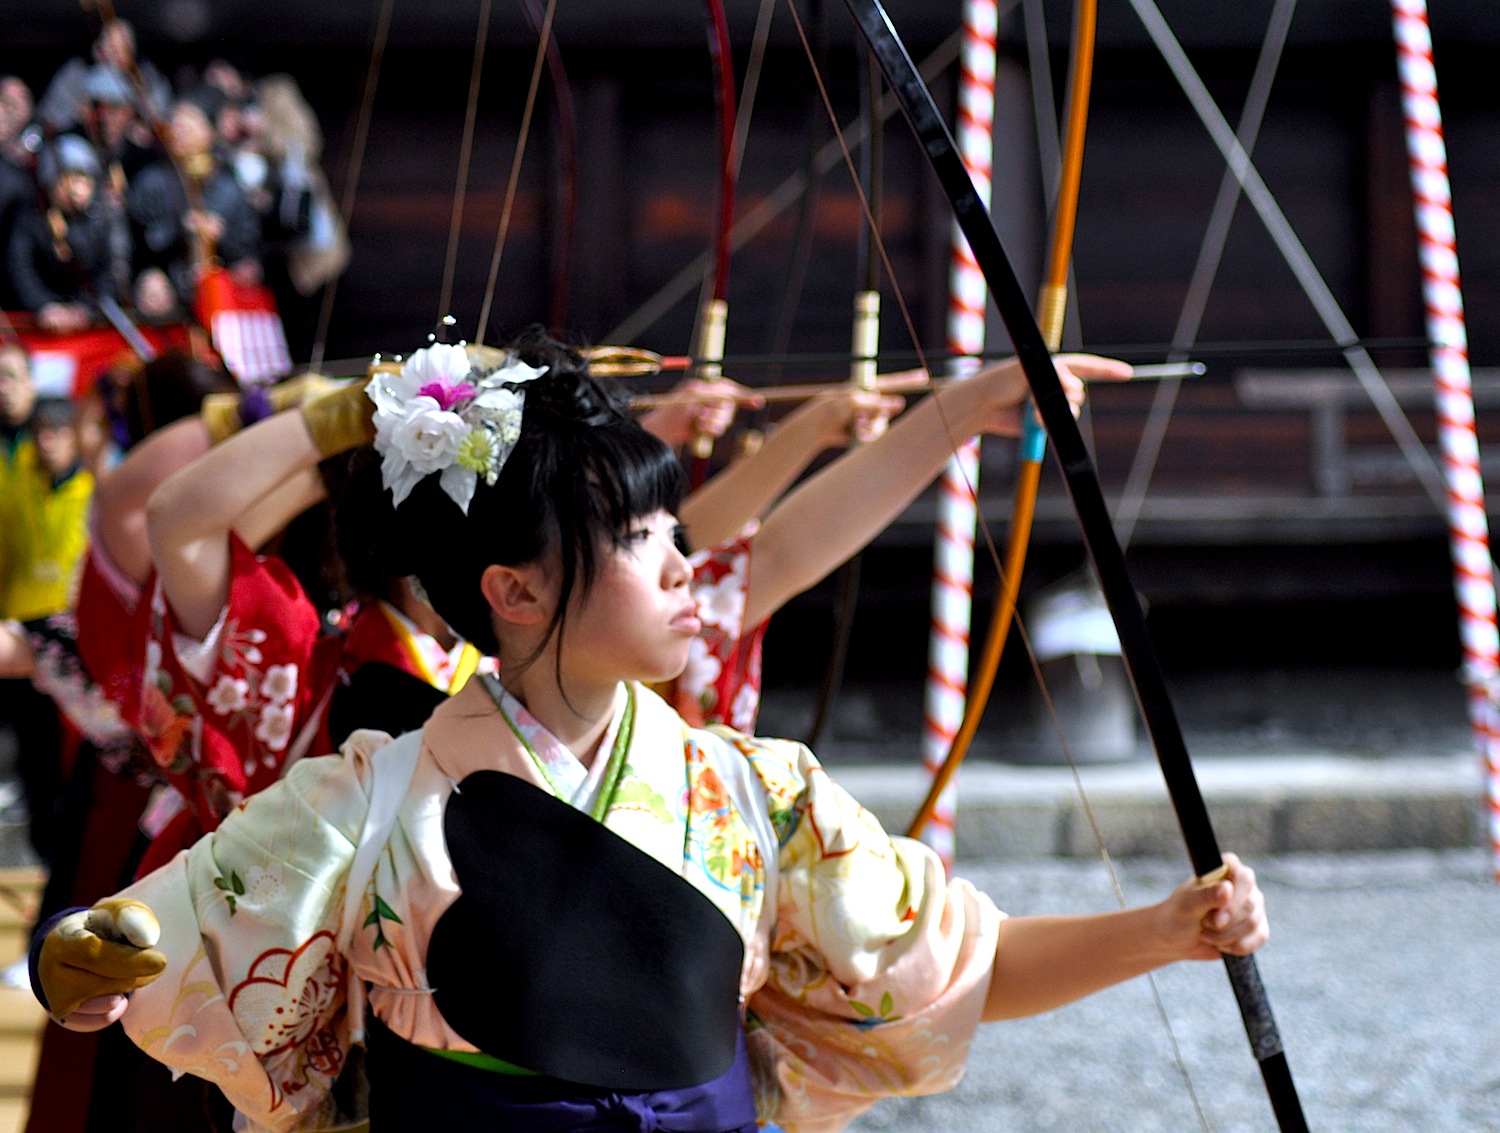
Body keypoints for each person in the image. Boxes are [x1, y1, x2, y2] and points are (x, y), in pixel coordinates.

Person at [29, 331, 1269, 1133]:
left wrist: (1163, 929)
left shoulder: (751, 790)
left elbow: (952, 962)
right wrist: (87, 960)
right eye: (644, 540)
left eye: (673, 537)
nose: (688, 568)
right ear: (510, 589)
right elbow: (185, 914)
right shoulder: (370, 791)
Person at [8, 134, 126, 332]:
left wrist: (85, 308)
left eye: (83, 179)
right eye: (67, 179)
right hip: (37, 319)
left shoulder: (105, 217)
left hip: (90, 319)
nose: (76, 189)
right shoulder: (28, 218)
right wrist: (44, 306)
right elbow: (19, 268)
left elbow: (114, 269)